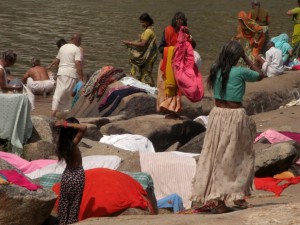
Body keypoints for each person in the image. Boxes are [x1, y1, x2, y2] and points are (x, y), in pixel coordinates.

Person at [191, 40, 265, 213]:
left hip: (217, 115)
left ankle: (225, 197)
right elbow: (261, 74)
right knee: (239, 157)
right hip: (234, 117)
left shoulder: (215, 69)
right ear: (237, 56)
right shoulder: (239, 71)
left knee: (214, 154)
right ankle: (227, 197)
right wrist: (246, 57)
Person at [55, 117, 87, 225]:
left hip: (67, 175)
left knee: (64, 205)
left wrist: (64, 125)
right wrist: (66, 124)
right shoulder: (73, 143)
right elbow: (84, 127)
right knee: (74, 206)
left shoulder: (61, 143)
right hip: (77, 175)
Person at [156, 11, 188, 117]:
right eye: (178, 19)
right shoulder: (167, 30)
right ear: (174, 20)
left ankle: (174, 109)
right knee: (164, 86)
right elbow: (160, 48)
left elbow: (191, 47)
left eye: (181, 19)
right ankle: (162, 108)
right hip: (167, 62)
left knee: (178, 88)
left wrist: (191, 40)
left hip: (180, 65)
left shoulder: (185, 32)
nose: (179, 21)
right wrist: (173, 50)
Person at [50, 33, 84, 118]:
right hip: (71, 74)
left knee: (58, 92)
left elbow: (57, 60)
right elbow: (78, 63)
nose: (80, 43)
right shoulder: (76, 49)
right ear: (77, 40)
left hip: (61, 73)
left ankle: (54, 111)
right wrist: (81, 76)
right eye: (80, 41)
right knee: (68, 95)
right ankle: (63, 114)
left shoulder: (62, 47)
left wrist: (54, 67)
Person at [122, 13, 158, 87]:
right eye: (141, 22)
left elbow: (143, 44)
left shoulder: (148, 31)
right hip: (149, 55)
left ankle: (149, 86)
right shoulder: (148, 31)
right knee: (145, 70)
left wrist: (130, 43)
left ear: (147, 22)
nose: (141, 24)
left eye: (143, 22)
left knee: (146, 71)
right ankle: (144, 85)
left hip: (148, 56)